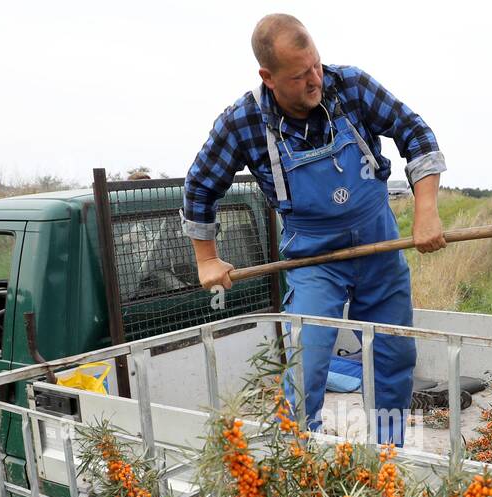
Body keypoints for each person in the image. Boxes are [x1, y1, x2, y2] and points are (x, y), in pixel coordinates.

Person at [181, 13, 446, 445]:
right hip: (314, 259)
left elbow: (414, 132)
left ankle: (391, 455)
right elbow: (200, 186)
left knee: (394, 358)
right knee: (308, 362)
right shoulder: (242, 122)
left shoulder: (352, 87)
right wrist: (206, 258)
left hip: (379, 245)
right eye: (300, 75)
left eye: (316, 66)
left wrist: (426, 210)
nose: (315, 80)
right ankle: (299, 460)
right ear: (268, 77)